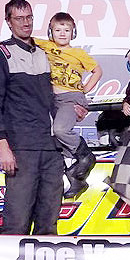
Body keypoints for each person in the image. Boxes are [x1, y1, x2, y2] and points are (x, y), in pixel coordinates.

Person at [0, 0, 64, 235]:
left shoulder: (44, 51)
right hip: (21, 148)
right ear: (8, 22)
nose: (25, 23)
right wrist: (3, 147)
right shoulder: (1, 53)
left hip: (51, 148)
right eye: (19, 18)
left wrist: (74, 106)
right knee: (17, 222)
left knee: (48, 223)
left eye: (28, 17)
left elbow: (59, 91)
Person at [35, 12, 103, 199]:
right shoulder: (46, 46)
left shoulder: (79, 53)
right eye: (58, 30)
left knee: (60, 130)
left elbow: (97, 70)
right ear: (51, 31)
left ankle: (86, 155)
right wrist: (0, 44)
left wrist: (85, 89)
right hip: (52, 100)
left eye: (67, 30)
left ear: (73, 32)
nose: (62, 33)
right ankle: (76, 177)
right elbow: (24, 40)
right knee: (52, 138)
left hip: (71, 98)